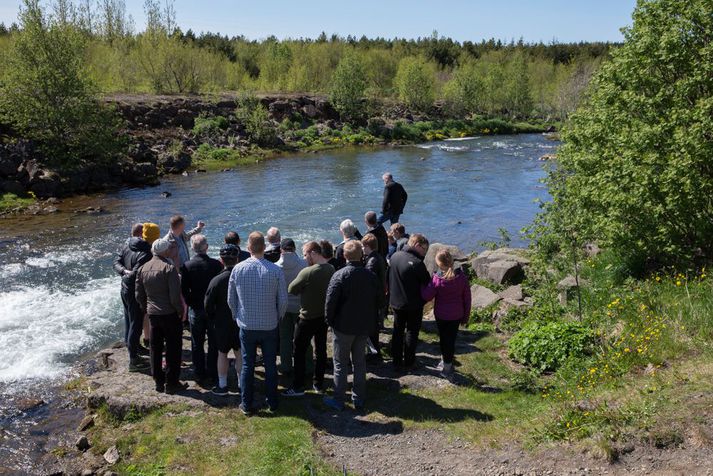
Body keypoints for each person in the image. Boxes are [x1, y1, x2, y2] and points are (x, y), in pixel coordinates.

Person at [228, 232, 287, 415]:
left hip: (246, 324)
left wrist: (236, 316)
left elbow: (231, 299)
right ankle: (273, 402)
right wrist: (278, 317)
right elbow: (283, 301)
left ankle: (246, 404)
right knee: (270, 364)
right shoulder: (275, 270)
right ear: (264, 247)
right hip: (269, 324)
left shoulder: (237, 269)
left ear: (248, 248)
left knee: (247, 365)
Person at [324, 240, 384, 411]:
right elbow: (380, 300)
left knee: (340, 364)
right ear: (362, 255)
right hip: (363, 326)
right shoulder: (370, 276)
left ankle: (339, 399)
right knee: (359, 362)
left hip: (343, 327)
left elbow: (330, 303)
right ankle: (358, 398)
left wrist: (330, 322)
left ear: (344, 256)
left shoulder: (339, 275)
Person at [282, 241, 335, 397]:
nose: (305, 258)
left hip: (306, 317)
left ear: (313, 252)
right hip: (322, 316)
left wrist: (304, 288)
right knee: (321, 350)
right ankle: (318, 383)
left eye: (305, 254)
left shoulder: (308, 272)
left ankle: (298, 387)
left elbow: (291, 289)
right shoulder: (331, 268)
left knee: (298, 351)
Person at [135, 238, 187, 394]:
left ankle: (158, 381)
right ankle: (172, 383)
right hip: (170, 314)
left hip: (153, 314)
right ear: (165, 252)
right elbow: (174, 296)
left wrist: (146, 308)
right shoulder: (169, 268)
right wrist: (180, 311)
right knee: (173, 349)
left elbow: (139, 294)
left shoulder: (142, 269)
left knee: (155, 349)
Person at [421, 250, 471, 378]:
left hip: (442, 315)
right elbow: (467, 299)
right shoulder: (462, 278)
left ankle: (447, 367)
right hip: (457, 314)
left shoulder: (437, 279)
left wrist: (422, 286)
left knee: (444, 339)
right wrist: (466, 316)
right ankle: (447, 360)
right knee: (451, 339)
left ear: (439, 263)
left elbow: (427, 295)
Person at [180, 234, 223, 383]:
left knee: (196, 343)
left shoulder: (186, 266)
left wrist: (191, 302)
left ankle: (199, 372)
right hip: (212, 309)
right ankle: (212, 371)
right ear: (207, 247)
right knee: (213, 342)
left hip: (195, 308)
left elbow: (184, 290)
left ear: (192, 248)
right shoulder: (217, 265)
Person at [204, 244, 243, 396]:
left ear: (221, 260)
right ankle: (241, 384)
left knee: (222, 353)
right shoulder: (243, 277)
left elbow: (207, 305)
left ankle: (222, 385)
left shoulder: (216, 280)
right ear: (237, 259)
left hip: (221, 323)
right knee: (239, 353)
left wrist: (214, 318)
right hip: (240, 321)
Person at [388, 233, 431, 370]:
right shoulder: (417, 263)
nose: (424, 253)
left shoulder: (394, 256)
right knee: (412, 332)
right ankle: (409, 360)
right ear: (417, 245)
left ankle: (396, 360)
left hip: (395, 301)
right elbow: (427, 282)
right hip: (413, 304)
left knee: (397, 331)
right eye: (424, 249)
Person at [113, 223, 151, 371]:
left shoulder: (127, 244)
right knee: (136, 323)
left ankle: (134, 348)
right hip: (135, 291)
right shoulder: (146, 252)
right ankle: (133, 361)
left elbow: (115, 262)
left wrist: (123, 271)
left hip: (124, 289)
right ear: (143, 235)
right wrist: (127, 273)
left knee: (129, 320)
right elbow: (135, 273)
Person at [275, 238, 307, 375]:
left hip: (283, 307)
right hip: (301, 306)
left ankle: (286, 366)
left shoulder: (275, 267)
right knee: (304, 339)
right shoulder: (304, 264)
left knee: (285, 339)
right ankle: (307, 367)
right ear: (294, 249)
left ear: (281, 250)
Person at [362, 234, 387, 360]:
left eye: (363, 246)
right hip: (380, 296)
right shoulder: (379, 257)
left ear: (367, 246)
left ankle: (374, 355)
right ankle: (375, 353)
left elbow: (369, 281)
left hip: (373, 299)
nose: (362, 249)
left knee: (371, 328)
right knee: (374, 327)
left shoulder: (371, 261)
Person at [141, 222, 161, 346]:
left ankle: (146, 337)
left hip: (138, 287)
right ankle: (150, 338)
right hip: (149, 288)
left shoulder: (137, 245)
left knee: (144, 314)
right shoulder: (149, 253)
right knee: (148, 314)